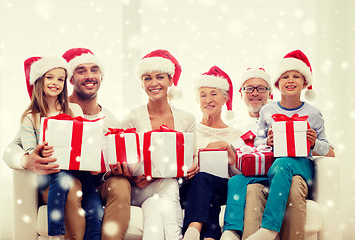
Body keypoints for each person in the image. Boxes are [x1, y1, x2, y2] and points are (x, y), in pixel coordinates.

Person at [4, 48, 130, 240]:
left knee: (118, 185)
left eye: (94, 70)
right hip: (60, 177)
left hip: (93, 181)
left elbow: (111, 158)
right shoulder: (41, 115)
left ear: (102, 77)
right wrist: (26, 159)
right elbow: (13, 149)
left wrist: (110, 170)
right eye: (81, 70)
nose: (89, 76)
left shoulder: (110, 120)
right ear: (71, 79)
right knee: (71, 185)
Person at [224, 50, 330, 240]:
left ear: (304, 82)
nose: (290, 80)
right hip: (274, 165)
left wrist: (313, 143)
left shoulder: (313, 113)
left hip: (302, 165)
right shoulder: (267, 111)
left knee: (284, 163)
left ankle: (270, 228)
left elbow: (327, 150)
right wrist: (267, 142)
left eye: (296, 76)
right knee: (272, 170)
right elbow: (257, 143)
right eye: (285, 77)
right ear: (276, 84)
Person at [19, 56, 103, 239]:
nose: (55, 83)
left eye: (60, 79)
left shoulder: (72, 111)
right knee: (60, 179)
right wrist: (38, 152)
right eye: (50, 77)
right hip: (52, 171)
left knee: (96, 210)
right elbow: (30, 150)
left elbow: (84, 142)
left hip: (78, 170)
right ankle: (56, 232)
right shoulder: (31, 117)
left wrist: (93, 160)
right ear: (39, 80)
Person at [121, 49, 196, 240]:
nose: (154, 83)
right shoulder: (133, 117)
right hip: (140, 187)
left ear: (170, 81)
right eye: (147, 78)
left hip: (173, 187)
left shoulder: (186, 119)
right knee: (168, 185)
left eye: (160, 77)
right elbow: (119, 156)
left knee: (154, 205)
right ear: (142, 83)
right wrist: (132, 178)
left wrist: (194, 166)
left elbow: (192, 156)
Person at [180, 66, 243, 240]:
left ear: (225, 98)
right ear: (197, 100)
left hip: (223, 187)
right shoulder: (189, 129)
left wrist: (231, 157)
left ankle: (192, 231)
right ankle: (209, 237)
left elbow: (240, 176)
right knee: (203, 183)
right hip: (190, 187)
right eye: (203, 95)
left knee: (205, 180)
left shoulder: (236, 134)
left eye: (214, 94)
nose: (208, 100)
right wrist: (187, 168)